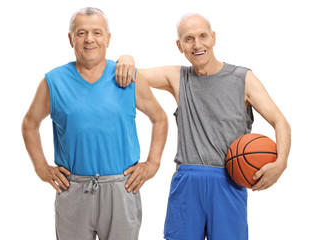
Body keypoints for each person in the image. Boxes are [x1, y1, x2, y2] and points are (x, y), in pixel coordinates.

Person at [116, 13, 291, 240]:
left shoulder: (243, 78)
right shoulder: (177, 77)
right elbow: (131, 75)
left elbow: (281, 122)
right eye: (189, 39)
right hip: (188, 181)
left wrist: (281, 162)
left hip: (229, 181)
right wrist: (127, 57)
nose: (197, 44)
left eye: (202, 36)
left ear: (213, 38)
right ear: (180, 46)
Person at [21, 7, 168, 240]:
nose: (89, 39)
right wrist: (41, 167)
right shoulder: (54, 82)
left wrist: (153, 162)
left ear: (108, 39)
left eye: (97, 33)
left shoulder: (127, 78)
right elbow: (29, 124)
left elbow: (159, 118)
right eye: (81, 33)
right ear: (71, 39)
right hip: (73, 189)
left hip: (122, 188)